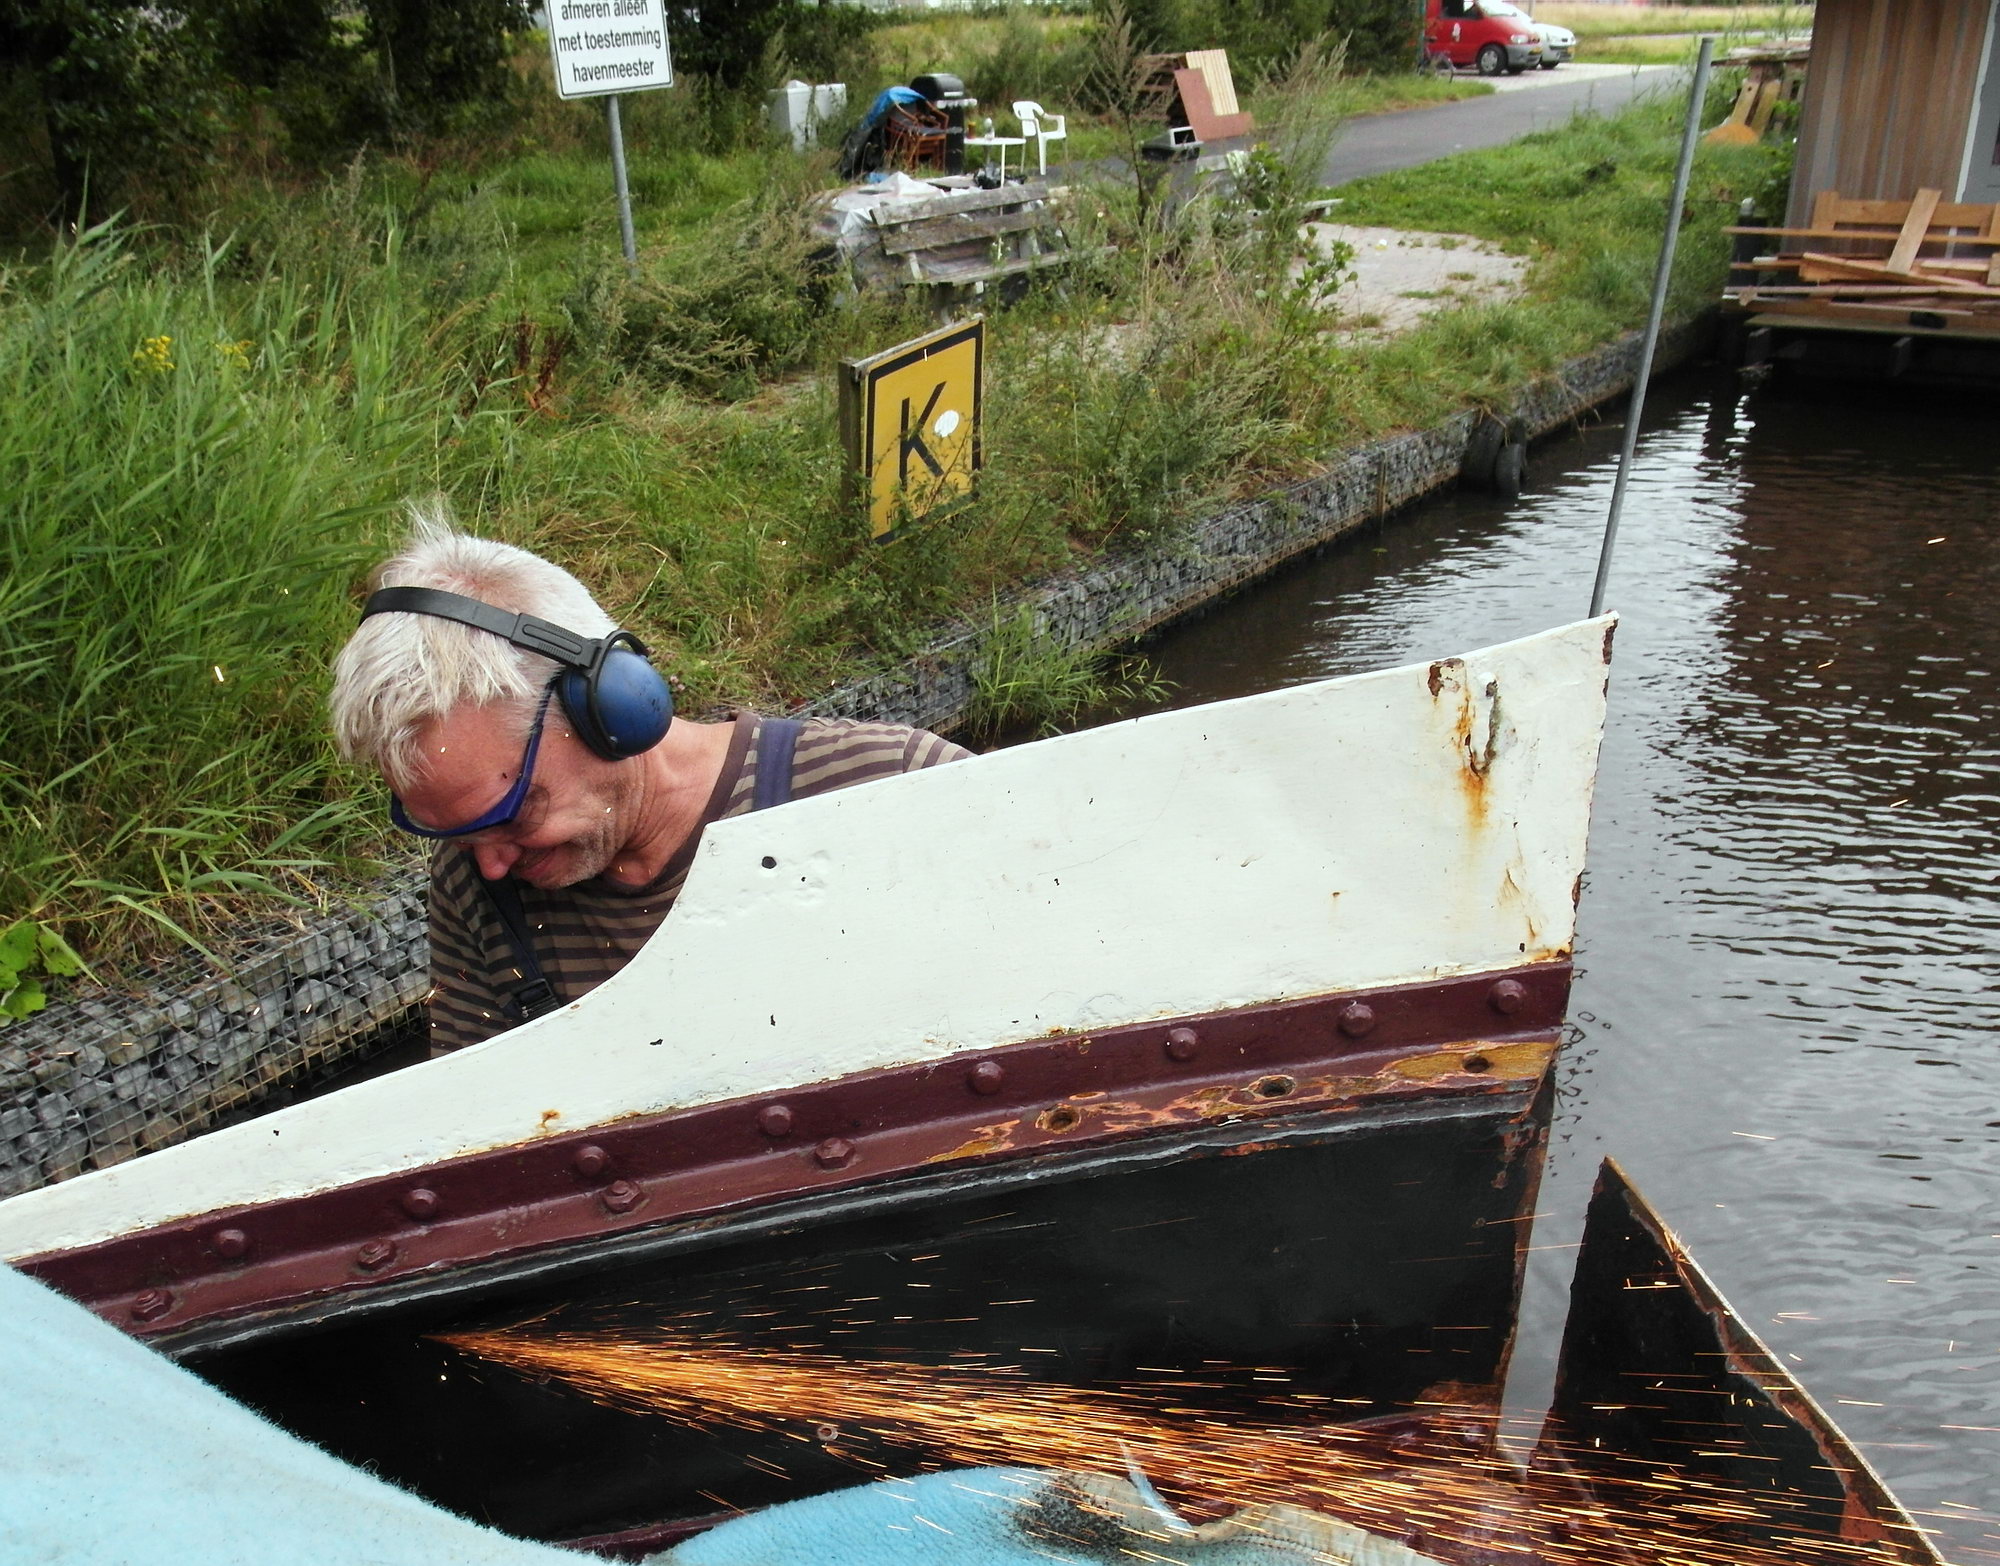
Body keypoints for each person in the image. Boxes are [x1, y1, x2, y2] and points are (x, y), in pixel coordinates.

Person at [329, 505, 971, 1054]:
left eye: (513, 815)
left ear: (608, 706)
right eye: (460, 836)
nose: (490, 865)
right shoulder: (473, 887)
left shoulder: (894, 787)